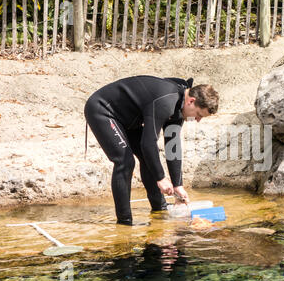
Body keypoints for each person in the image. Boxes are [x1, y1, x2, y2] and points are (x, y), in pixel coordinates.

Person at [84, 75, 219, 226]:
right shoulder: (166, 101)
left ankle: (159, 209)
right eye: (199, 115)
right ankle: (124, 222)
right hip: (103, 109)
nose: (198, 120)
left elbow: (172, 146)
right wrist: (161, 178)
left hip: (128, 120)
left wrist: (177, 185)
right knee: (125, 162)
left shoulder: (180, 107)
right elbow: (149, 143)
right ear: (191, 101)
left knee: (148, 159)